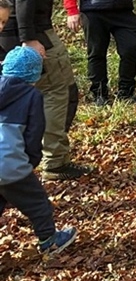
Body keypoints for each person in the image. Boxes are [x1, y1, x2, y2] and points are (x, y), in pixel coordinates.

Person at [0, 0, 87, 181]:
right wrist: (29, 38)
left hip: (5, 30)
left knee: (12, 93)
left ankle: (13, 158)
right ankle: (55, 161)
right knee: (61, 90)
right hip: (33, 31)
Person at [0, 44, 78, 257]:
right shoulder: (32, 96)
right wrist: (31, 161)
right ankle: (49, 241)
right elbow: (34, 136)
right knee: (37, 204)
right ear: (33, 74)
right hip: (10, 164)